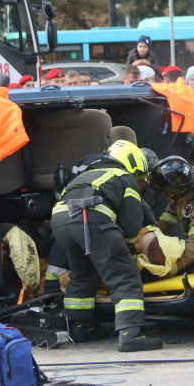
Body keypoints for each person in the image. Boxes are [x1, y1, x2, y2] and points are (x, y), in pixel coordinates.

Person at [50, 140, 163, 352]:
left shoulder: (86, 175)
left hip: (60, 221)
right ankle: (131, 333)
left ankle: (80, 327)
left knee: (83, 273)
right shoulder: (125, 177)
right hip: (89, 220)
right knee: (124, 275)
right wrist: (128, 248)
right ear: (133, 163)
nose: (140, 180)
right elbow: (130, 226)